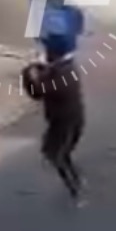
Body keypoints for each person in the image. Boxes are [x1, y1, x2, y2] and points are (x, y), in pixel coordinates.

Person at [23, 43, 86, 204]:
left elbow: (37, 92)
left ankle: (76, 191)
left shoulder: (62, 76)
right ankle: (77, 181)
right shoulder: (66, 68)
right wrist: (37, 68)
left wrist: (28, 73)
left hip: (65, 122)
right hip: (67, 121)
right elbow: (44, 82)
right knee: (58, 153)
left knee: (56, 156)